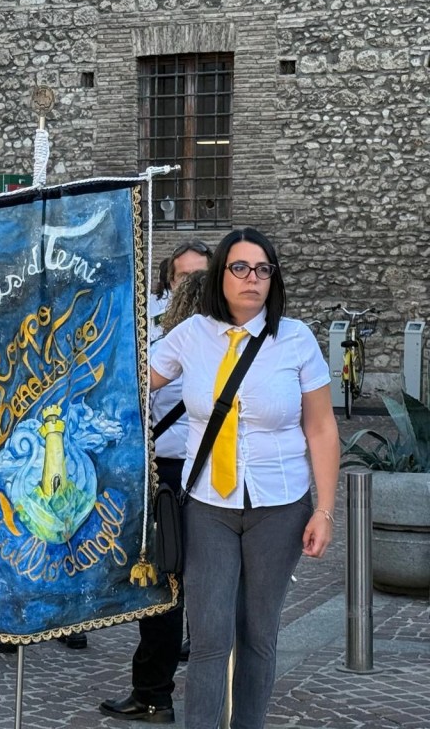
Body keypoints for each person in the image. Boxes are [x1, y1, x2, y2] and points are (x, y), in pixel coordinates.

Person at [150, 228, 338, 728]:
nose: (251, 278)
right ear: (221, 276)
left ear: (272, 278)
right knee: (211, 638)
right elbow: (130, 378)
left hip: (279, 505)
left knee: (258, 634)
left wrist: (324, 509)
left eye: (262, 269)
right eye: (240, 268)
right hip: (208, 504)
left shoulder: (295, 339)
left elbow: (320, 427)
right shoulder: (190, 335)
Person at [99, 269, 207, 724]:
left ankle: (152, 692)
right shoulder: (223, 357)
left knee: (164, 588)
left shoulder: (163, 355)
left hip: (165, 475)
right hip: (212, 476)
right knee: (207, 584)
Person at [149, 241, 211, 344]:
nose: (192, 281)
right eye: (184, 276)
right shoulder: (158, 327)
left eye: (200, 274)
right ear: (172, 282)